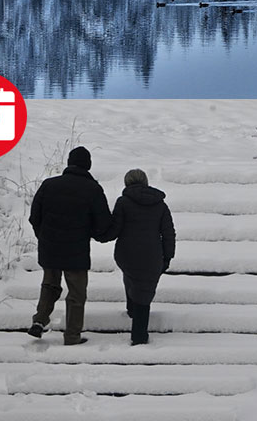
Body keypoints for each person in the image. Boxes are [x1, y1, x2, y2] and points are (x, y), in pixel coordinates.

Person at [28, 146, 112, 345]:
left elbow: (34, 217)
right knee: (76, 293)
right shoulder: (92, 189)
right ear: (88, 165)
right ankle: (72, 335)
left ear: (69, 163)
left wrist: (44, 237)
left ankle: (39, 321)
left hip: (50, 247)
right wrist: (99, 234)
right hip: (76, 251)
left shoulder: (49, 185)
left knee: (49, 285)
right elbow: (103, 224)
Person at [102, 168, 175, 345]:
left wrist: (99, 232)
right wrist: (168, 257)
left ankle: (132, 311)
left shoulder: (123, 202)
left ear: (127, 183)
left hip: (126, 253)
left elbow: (114, 230)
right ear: (146, 182)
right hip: (152, 255)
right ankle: (139, 335)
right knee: (144, 290)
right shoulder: (160, 205)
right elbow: (168, 234)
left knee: (132, 278)